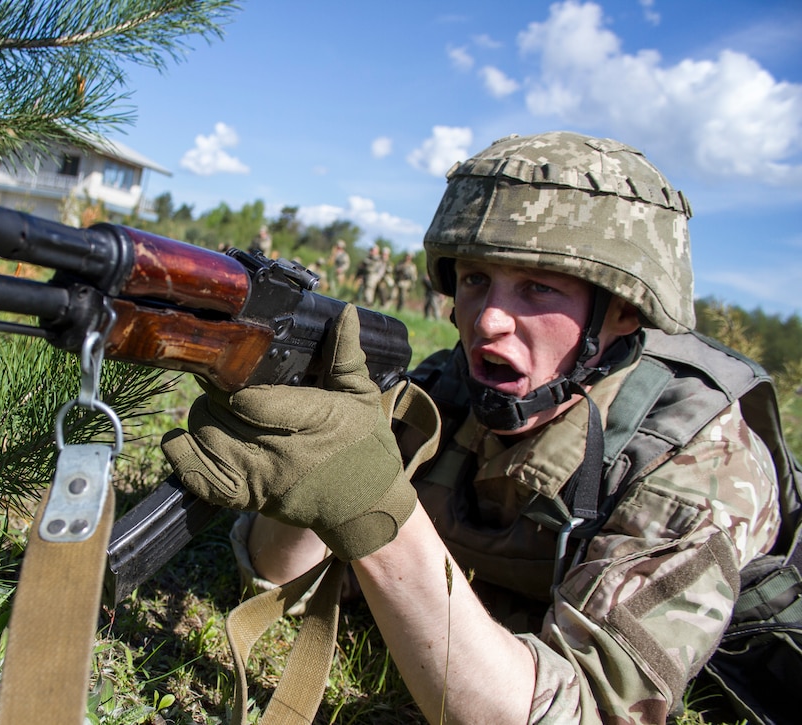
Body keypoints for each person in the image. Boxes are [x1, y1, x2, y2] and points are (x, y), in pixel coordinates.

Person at [161, 131, 784, 723]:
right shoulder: (442, 391)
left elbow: (587, 714)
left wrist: (368, 506)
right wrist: (300, 442)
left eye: (537, 290)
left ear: (620, 313)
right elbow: (280, 578)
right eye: (475, 280)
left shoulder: (694, 461)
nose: (487, 322)